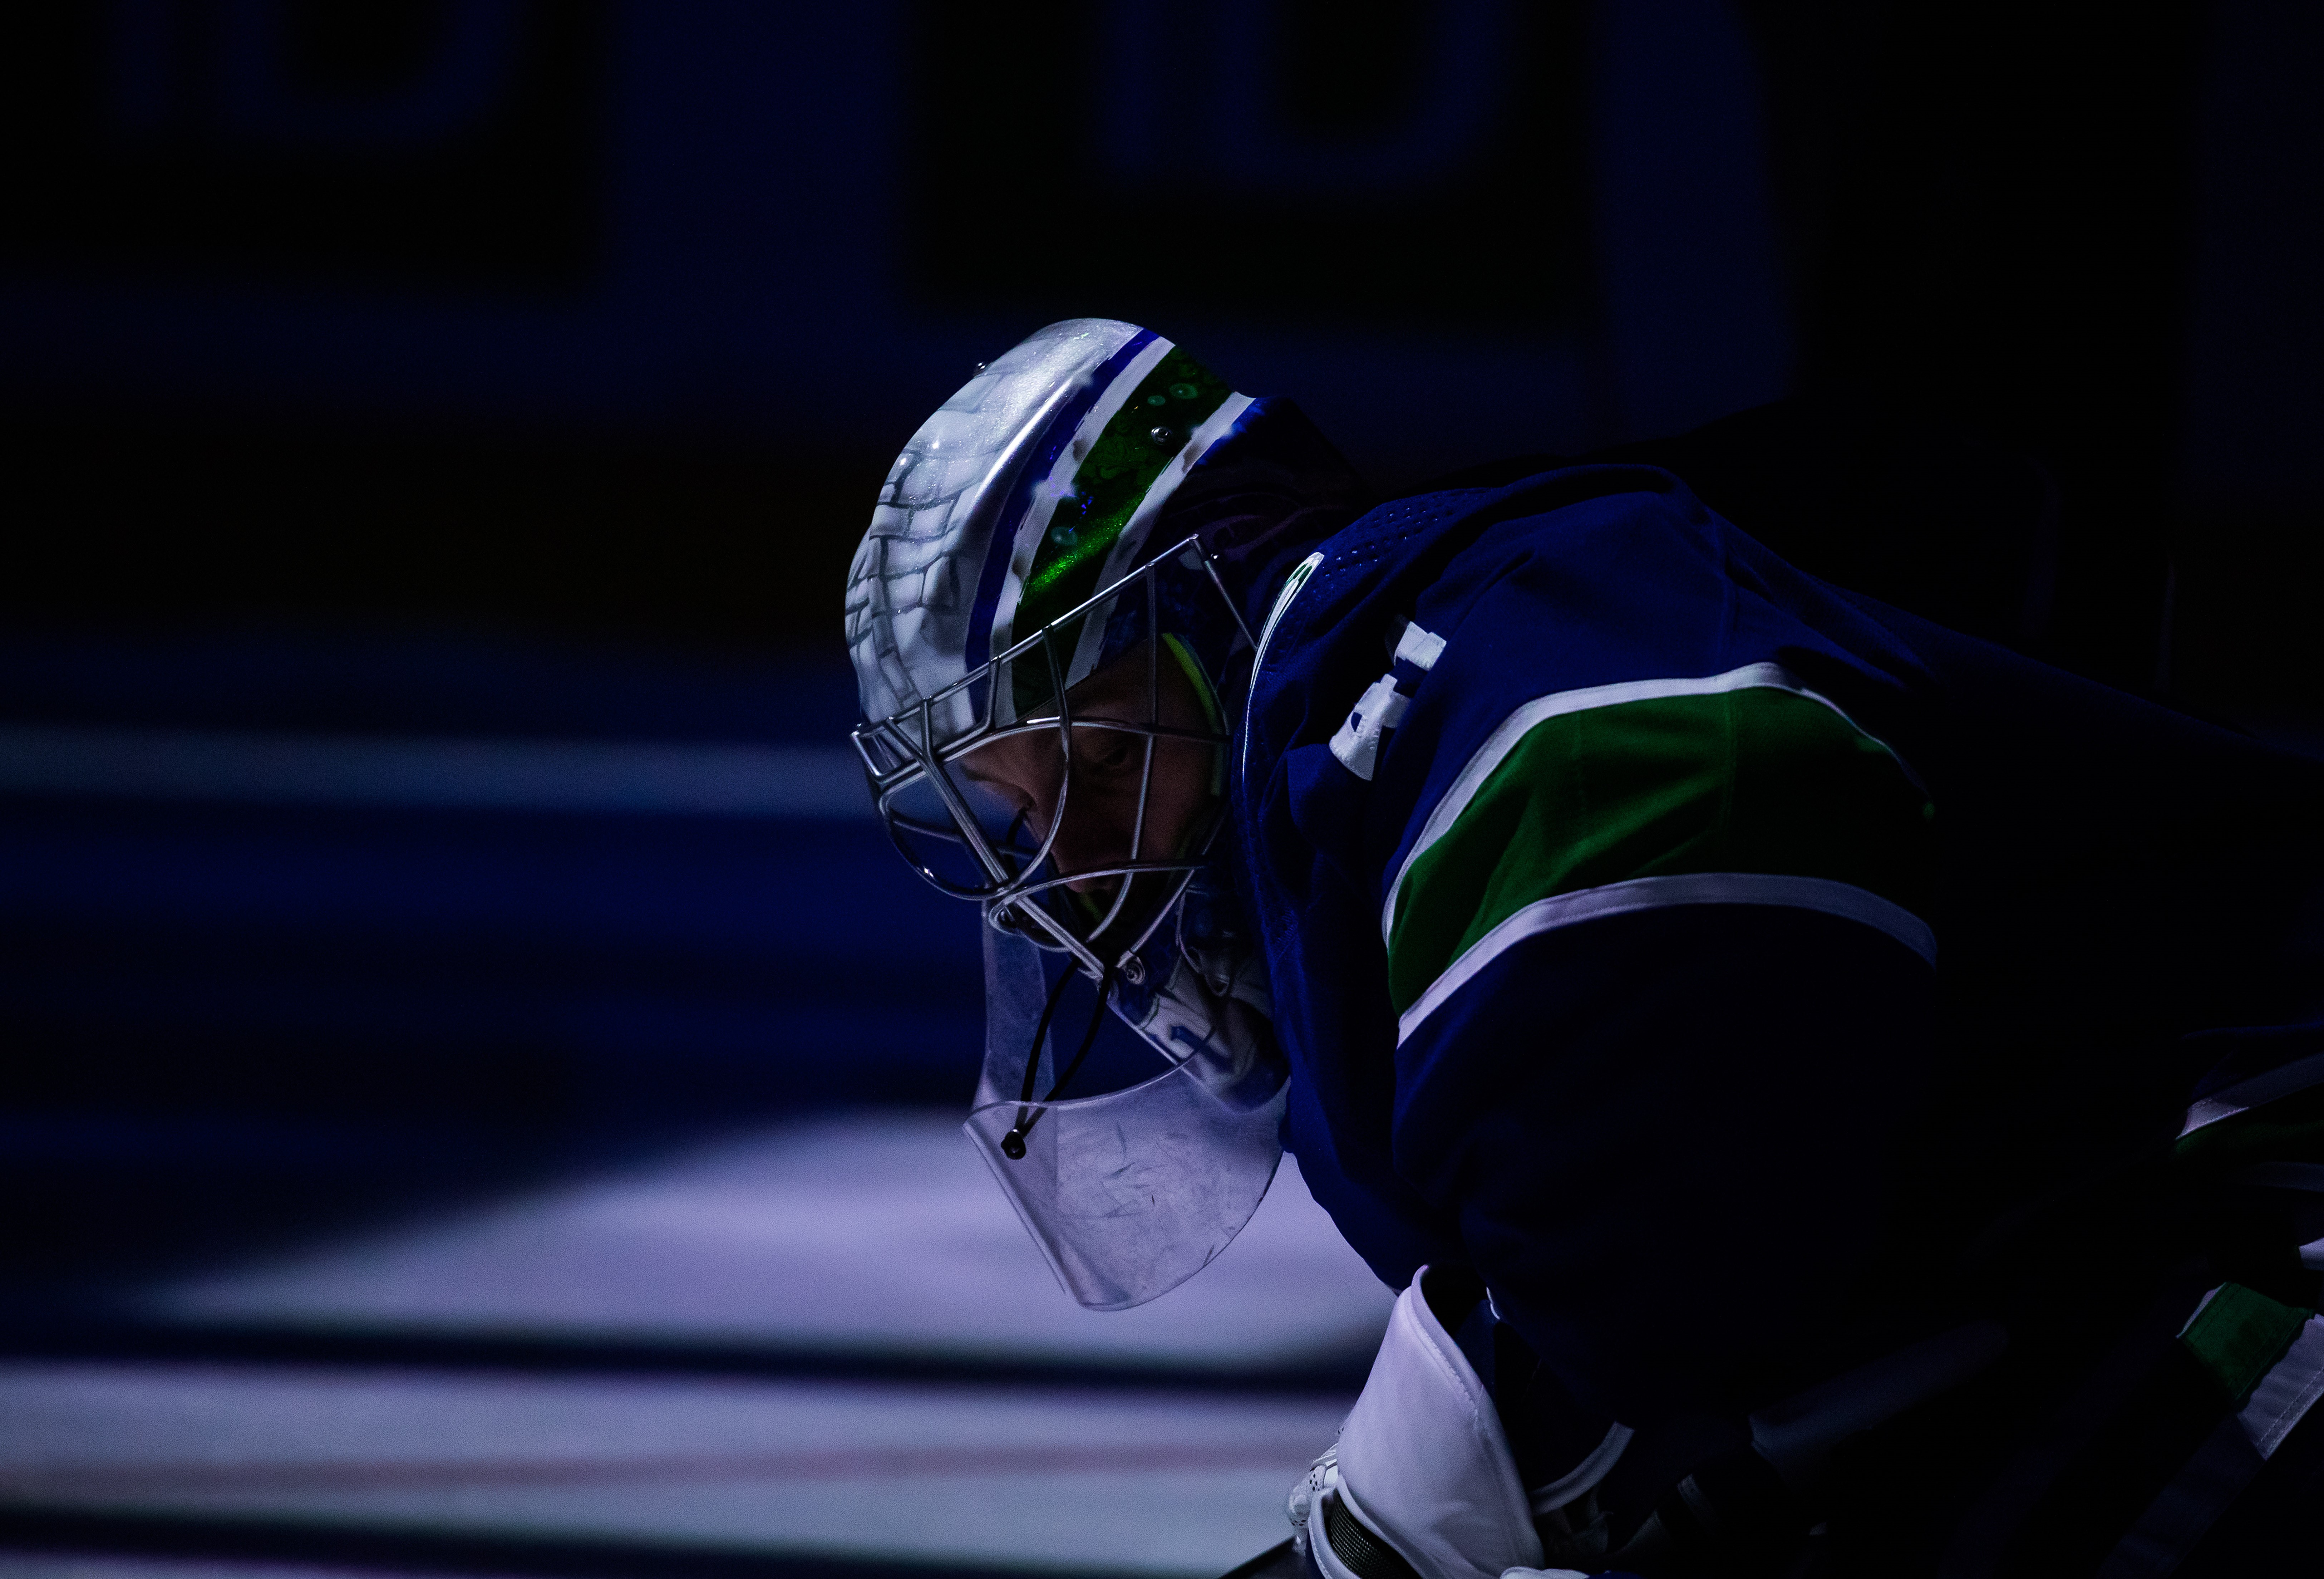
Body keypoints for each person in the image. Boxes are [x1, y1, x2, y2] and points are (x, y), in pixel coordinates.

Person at [843, 319, 2324, 1576]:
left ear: (1228, 609)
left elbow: (1658, 1293)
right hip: (2120, 1248)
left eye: (1100, 758)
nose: (1081, 874)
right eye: (1022, 818)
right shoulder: (1391, 764)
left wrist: (1420, 1504)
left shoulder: (1501, 680)